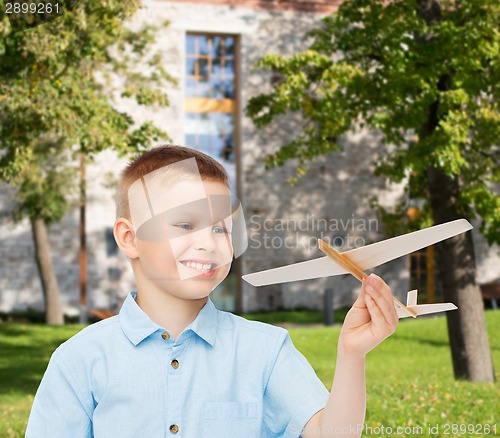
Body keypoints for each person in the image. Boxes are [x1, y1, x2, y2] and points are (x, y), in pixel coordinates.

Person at [26, 145, 398, 438]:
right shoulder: (79, 359)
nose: (209, 243)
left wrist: (351, 354)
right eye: (186, 224)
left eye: (221, 229)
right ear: (129, 237)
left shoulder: (265, 350)